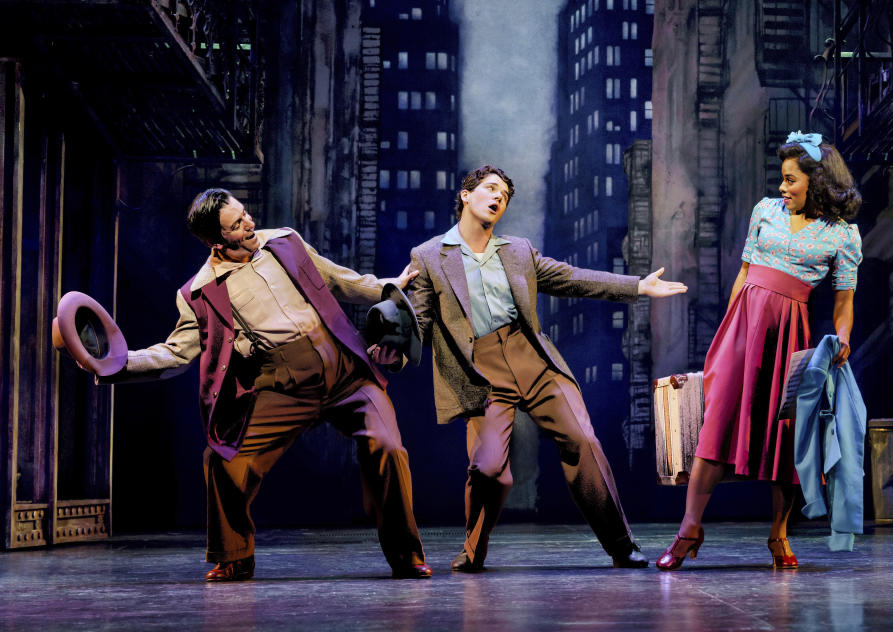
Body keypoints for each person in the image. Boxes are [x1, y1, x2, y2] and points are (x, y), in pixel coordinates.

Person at [95, 188, 432, 581]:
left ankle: (406, 555)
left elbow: (340, 280)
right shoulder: (199, 293)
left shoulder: (285, 242)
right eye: (236, 224)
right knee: (224, 460)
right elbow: (175, 354)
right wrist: (117, 364)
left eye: (245, 214)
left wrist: (390, 286)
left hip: (344, 372)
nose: (249, 223)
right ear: (214, 240)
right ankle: (235, 556)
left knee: (389, 448)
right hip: (282, 388)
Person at [397, 165, 687, 571]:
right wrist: (393, 347)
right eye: (490, 189)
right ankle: (473, 550)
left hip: (532, 359)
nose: (498, 198)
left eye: (505, 195)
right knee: (489, 470)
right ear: (466, 195)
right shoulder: (429, 257)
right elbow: (420, 319)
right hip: (481, 371)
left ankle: (621, 545)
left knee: (583, 442)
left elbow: (573, 278)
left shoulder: (517, 250)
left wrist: (637, 286)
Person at [656, 132, 863, 571]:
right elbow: (745, 273)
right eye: (782, 180)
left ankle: (779, 534)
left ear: (817, 181)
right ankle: (689, 528)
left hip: (791, 337)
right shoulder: (765, 211)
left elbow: (844, 303)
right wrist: (727, 332)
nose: (783, 188)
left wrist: (843, 337)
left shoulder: (843, 236)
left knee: (786, 439)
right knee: (717, 425)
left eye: (791, 180)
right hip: (743, 329)